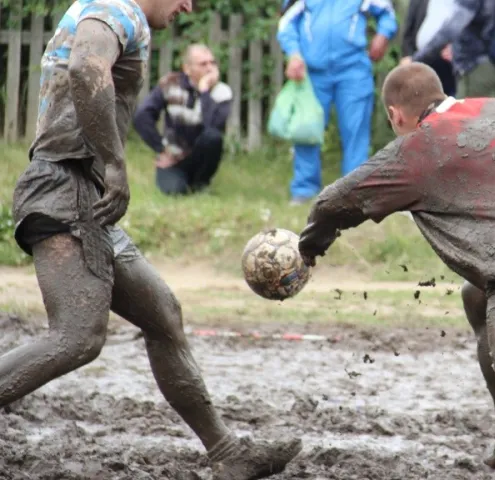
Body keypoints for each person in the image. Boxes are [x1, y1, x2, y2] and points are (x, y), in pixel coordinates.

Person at [5, 1, 301, 478]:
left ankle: (227, 454)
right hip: (64, 187)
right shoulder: (120, 9)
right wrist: (116, 162)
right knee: (78, 337)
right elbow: (85, 66)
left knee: (162, 313)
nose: (190, 6)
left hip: (82, 193)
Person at [297, 62, 495, 480]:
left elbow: (332, 203)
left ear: (395, 115)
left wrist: (308, 251)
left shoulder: (415, 149)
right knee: (474, 297)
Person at [276, 0, 398, 205]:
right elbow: (285, 23)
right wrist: (294, 53)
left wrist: (382, 35)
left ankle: (354, 193)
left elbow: (387, 13)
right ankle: (304, 190)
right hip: (312, 73)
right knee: (306, 130)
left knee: (356, 130)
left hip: (353, 71)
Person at [133, 43, 232, 195]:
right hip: (174, 157)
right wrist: (161, 148)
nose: (210, 68)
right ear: (187, 68)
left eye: (212, 63)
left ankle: (201, 184)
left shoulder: (222, 92)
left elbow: (212, 126)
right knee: (176, 192)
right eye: (203, 64)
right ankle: (182, 181)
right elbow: (142, 116)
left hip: (200, 156)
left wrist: (204, 91)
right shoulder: (171, 84)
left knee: (213, 137)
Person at [401, 0, 495, 98]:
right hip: (480, 64)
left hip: (475, 66)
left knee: (467, 114)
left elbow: (453, 29)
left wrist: (417, 59)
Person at [401, 0, 457, 96]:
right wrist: (408, 57)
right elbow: (408, 32)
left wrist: (457, 48)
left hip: (449, 66)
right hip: (420, 63)